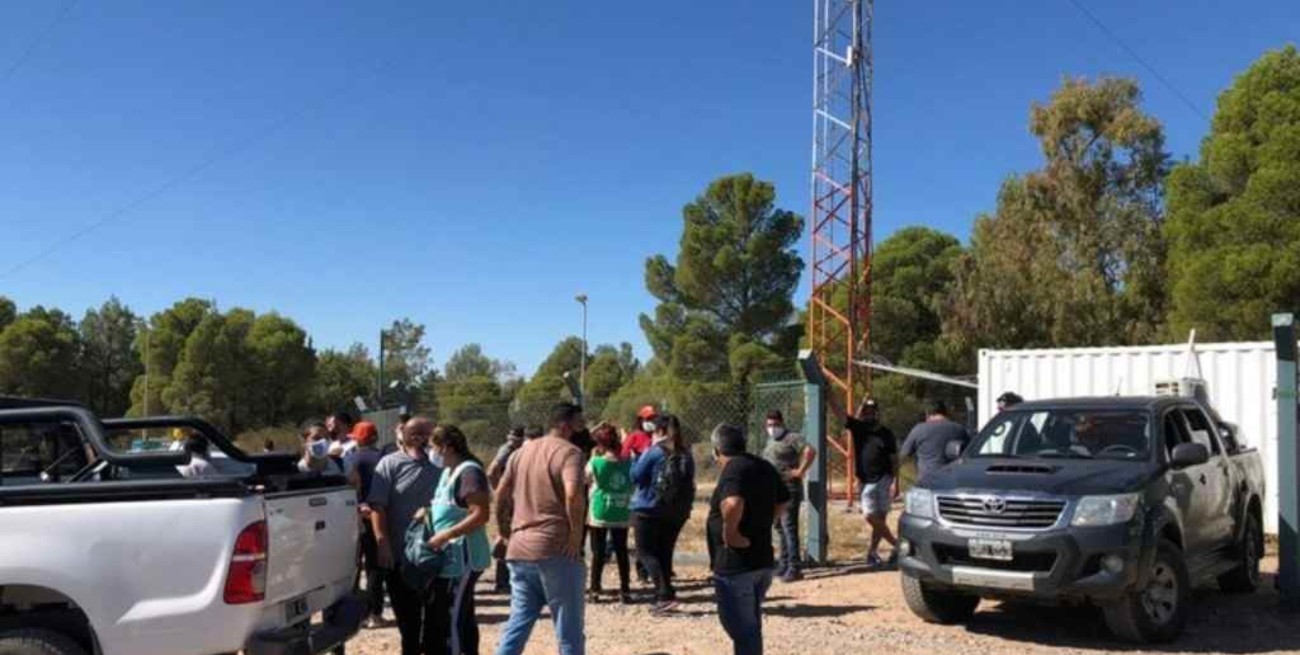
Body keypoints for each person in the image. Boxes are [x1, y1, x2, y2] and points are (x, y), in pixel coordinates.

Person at [494, 403, 587, 655]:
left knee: (518, 622)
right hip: (556, 549)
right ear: (566, 425)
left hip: (519, 548)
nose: (583, 425)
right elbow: (572, 495)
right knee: (568, 630)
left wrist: (503, 530)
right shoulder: (570, 453)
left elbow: (501, 492)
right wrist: (576, 536)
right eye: (580, 421)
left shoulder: (520, 453)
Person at [707, 423, 789, 655]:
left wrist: (731, 533)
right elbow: (783, 500)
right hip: (760, 561)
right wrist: (765, 522)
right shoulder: (762, 466)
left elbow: (733, 503)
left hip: (737, 566)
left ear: (717, 451)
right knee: (750, 627)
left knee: (742, 629)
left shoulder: (733, 469)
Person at [368, 417, 443, 655]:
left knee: (436, 625)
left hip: (438, 557)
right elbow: (377, 507)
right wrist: (383, 544)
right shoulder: (389, 465)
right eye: (429, 434)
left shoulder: (443, 464)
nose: (433, 439)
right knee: (409, 625)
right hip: (402, 558)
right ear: (413, 436)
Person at [427, 425, 492, 655]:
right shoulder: (449, 471)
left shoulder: (469, 472)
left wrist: (447, 535)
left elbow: (480, 515)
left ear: (447, 447)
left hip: (463, 559)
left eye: (434, 447)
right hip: (449, 560)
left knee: (451, 618)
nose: (431, 452)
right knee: (461, 616)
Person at [630, 413, 695, 613]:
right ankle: (665, 594)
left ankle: (664, 594)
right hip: (677, 511)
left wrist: (636, 458)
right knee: (664, 553)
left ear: (658, 431)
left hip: (648, 509)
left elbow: (635, 476)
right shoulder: (686, 453)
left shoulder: (654, 452)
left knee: (645, 552)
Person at [760, 409, 814, 582]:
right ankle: (784, 563)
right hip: (772, 490)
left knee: (789, 527)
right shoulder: (770, 440)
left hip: (788, 488)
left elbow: (810, 451)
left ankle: (795, 567)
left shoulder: (792, 438)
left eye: (775, 424)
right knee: (778, 527)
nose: (772, 427)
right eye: (769, 424)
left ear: (782, 423)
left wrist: (800, 471)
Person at [845, 398, 899, 568]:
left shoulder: (887, 433)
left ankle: (872, 553)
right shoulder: (859, 429)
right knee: (869, 515)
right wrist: (830, 392)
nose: (869, 414)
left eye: (872, 411)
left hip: (884, 478)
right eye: (866, 412)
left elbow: (894, 458)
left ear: (877, 412)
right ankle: (898, 545)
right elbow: (843, 417)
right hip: (866, 481)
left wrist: (895, 482)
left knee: (880, 518)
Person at [345, 421, 388, 629]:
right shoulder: (384, 458)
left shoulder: (351, 458)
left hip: (354, 517)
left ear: (360, 439)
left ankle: (352, 613)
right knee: (374, 568)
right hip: (378, 516)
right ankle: (375, 613)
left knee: (353, 567)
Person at [585, 423, 633, 604]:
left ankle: (595, 589)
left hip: (600, 511)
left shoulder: (596, 462)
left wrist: (592, 457)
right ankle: (625, 589)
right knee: (621, 550)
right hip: (621, 510)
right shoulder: (628, 463)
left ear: (600, 444)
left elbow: (585, 478)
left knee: (598, 551)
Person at [486, 427, 527, 594]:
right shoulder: (508, 450)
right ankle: (503, 582)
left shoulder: (512, 449)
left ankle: (507, 580)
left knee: (511, 537)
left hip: (512, 499)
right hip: (509, 501)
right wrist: (500, 492)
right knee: (506, 538)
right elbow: (491, 471)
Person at [899, 399, 969, 481]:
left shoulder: (919, 429)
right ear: (946, 412)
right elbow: (969, 454)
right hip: (953, 480)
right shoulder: (959, 429)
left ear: (928, 414)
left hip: (927, 481)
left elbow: (904, 454)